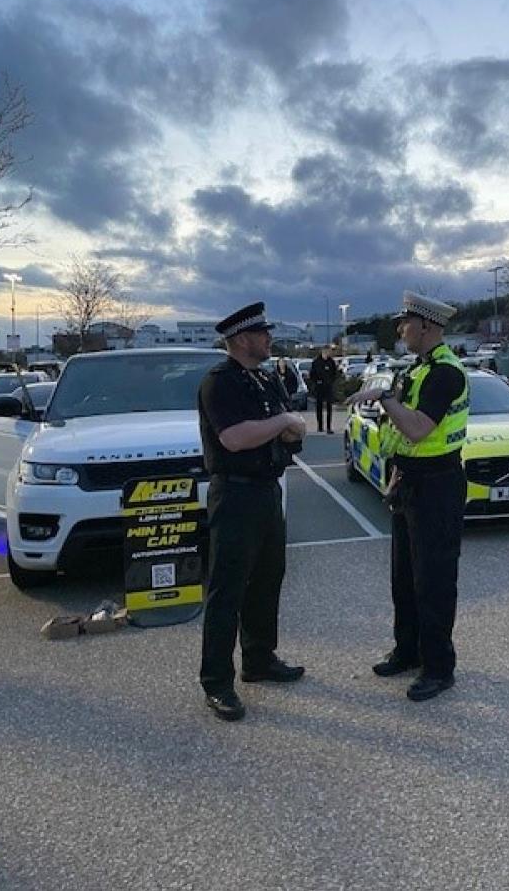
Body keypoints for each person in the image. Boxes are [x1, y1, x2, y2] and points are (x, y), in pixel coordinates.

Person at [347, 290, 469, 702]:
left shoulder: (446, 373)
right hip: (410, 481)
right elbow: (403, 436)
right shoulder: (416, 370)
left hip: (439, 485)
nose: (400, 329)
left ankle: (439, 667)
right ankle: (408, 650)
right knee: (404, 576)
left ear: (427, 327)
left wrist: (384, 399)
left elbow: (418, 428)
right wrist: (394, 477)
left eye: (405, 323)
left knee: (434, 580)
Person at [198, 302, 307, 722]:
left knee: (267, 579)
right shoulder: (219, 382)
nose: (269, 339)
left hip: (266, 491)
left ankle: (259, 660)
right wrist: (282, 422)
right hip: (235, 494)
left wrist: (284, 426)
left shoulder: (263, 379)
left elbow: (296, 430)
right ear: (242, 339)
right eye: (262, 334)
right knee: (228, 590)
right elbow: (234, 438)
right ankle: (217, 683)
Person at [308, 346, 338, 434]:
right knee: (319, 407)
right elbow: (312, 374)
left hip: (328, 387)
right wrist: (317, 381)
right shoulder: (316, 362)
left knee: (329, 407)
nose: (327, 353)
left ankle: (329, 427)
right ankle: (320, 426)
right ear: (322, 352)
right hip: (319, 387)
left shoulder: (331, 362)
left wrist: (331, 381)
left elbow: (334, 373)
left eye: (328, 352)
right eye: (325, 352)